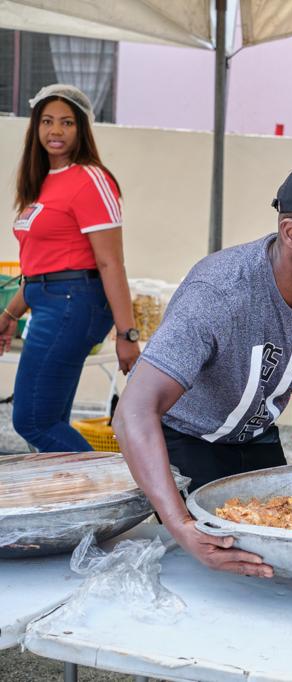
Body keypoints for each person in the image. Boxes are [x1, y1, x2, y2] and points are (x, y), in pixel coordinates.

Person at [114, 157, 292, 577]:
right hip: (186, 438)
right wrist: (182, 525)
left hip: (258, 436)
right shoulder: (220, 291)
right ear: (291, 233)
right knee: (208, 568)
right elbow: (134, 411)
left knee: (278, 562)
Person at [1, 84, 139, 452]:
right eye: (47, 121)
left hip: (72, 304)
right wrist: (11, 312)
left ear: (81, 129)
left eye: (66, 122)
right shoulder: (41, 182)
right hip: (49, 301)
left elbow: (110, 262)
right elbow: (41, 265)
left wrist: (127, 335)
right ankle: (72, 500)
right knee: (51, 421)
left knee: (32, 420)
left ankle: (111, 489)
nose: (55, 131)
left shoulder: (90, 179)